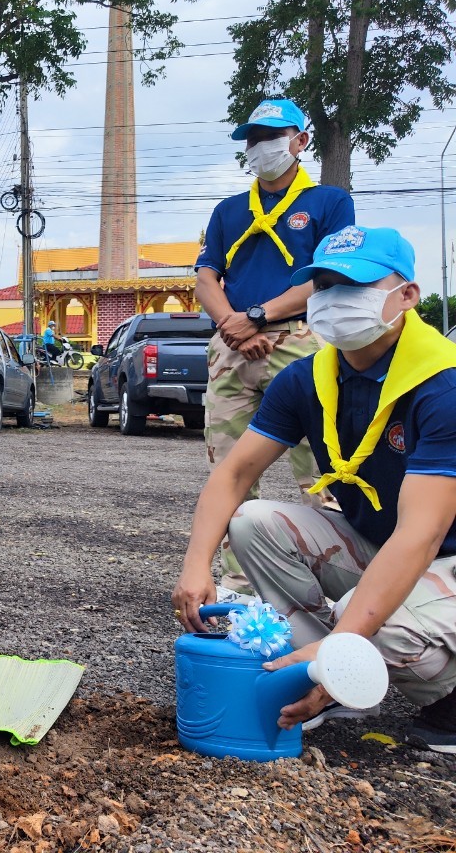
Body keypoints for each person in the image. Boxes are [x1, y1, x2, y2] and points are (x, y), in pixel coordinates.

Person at [173, 226, 456, 751]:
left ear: (408, 295)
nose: (334, 300)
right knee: (251, 523)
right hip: (386, 544)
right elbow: (233, 475)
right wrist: (196, 566)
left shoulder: (444, 387)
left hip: (444, 554)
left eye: (355, 285)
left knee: (370, 620)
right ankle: (327, 673)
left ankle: (446, 697)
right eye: (323, 286)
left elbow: (422, 533)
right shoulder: (307, 377)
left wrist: (348, 633)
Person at [194, 98, 356, 596]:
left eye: (271, 136)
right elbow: (206, 275)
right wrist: (233, 326)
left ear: (300, 141)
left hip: (304, 342)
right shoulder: (229, 210)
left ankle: (337, 579)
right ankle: (237, 583)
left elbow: (329, 274)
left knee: (325, 466)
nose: (260, 148)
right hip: (233, 346)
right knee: (230, 467)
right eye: (252, 139)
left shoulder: (329, 202)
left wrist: (260, 316)